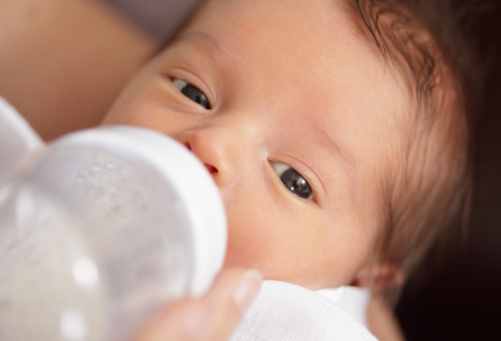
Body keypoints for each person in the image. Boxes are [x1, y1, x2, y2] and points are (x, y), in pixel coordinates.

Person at [100, 0, 480, 339]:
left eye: (293, 181)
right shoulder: (47, 165)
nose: (213, 143)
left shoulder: (303, 325)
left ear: (360, 279)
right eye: (191, 91)